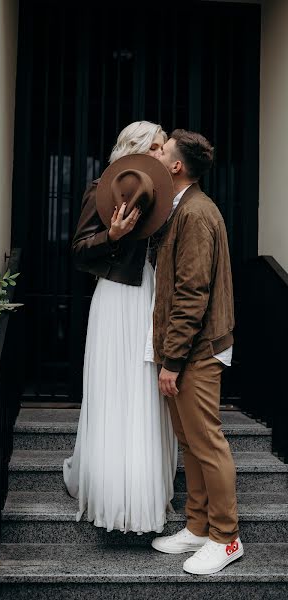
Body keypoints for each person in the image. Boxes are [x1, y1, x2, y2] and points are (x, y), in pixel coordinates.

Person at [63, 121, 178, 534]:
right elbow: (77, 251)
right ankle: (113, 490)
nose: (164, 154)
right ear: (138, 149)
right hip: (114, 296)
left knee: (142, 387)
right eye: (158, 147)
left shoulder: (166, 194)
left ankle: (142, 487)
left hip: (147, 293)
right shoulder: (101, 188)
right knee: (113, 385)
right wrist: (110, 236)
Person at [151, 129, 242, 574]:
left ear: (176, 166)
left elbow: (192, 294)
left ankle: (226, 539)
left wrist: (172, 360)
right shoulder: (181, 209)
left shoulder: (196, 214)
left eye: (163, 151)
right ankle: (198, 527)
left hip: (198, 350)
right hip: (187, 350)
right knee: (189, 441)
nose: (157, 154)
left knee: (207, 442)